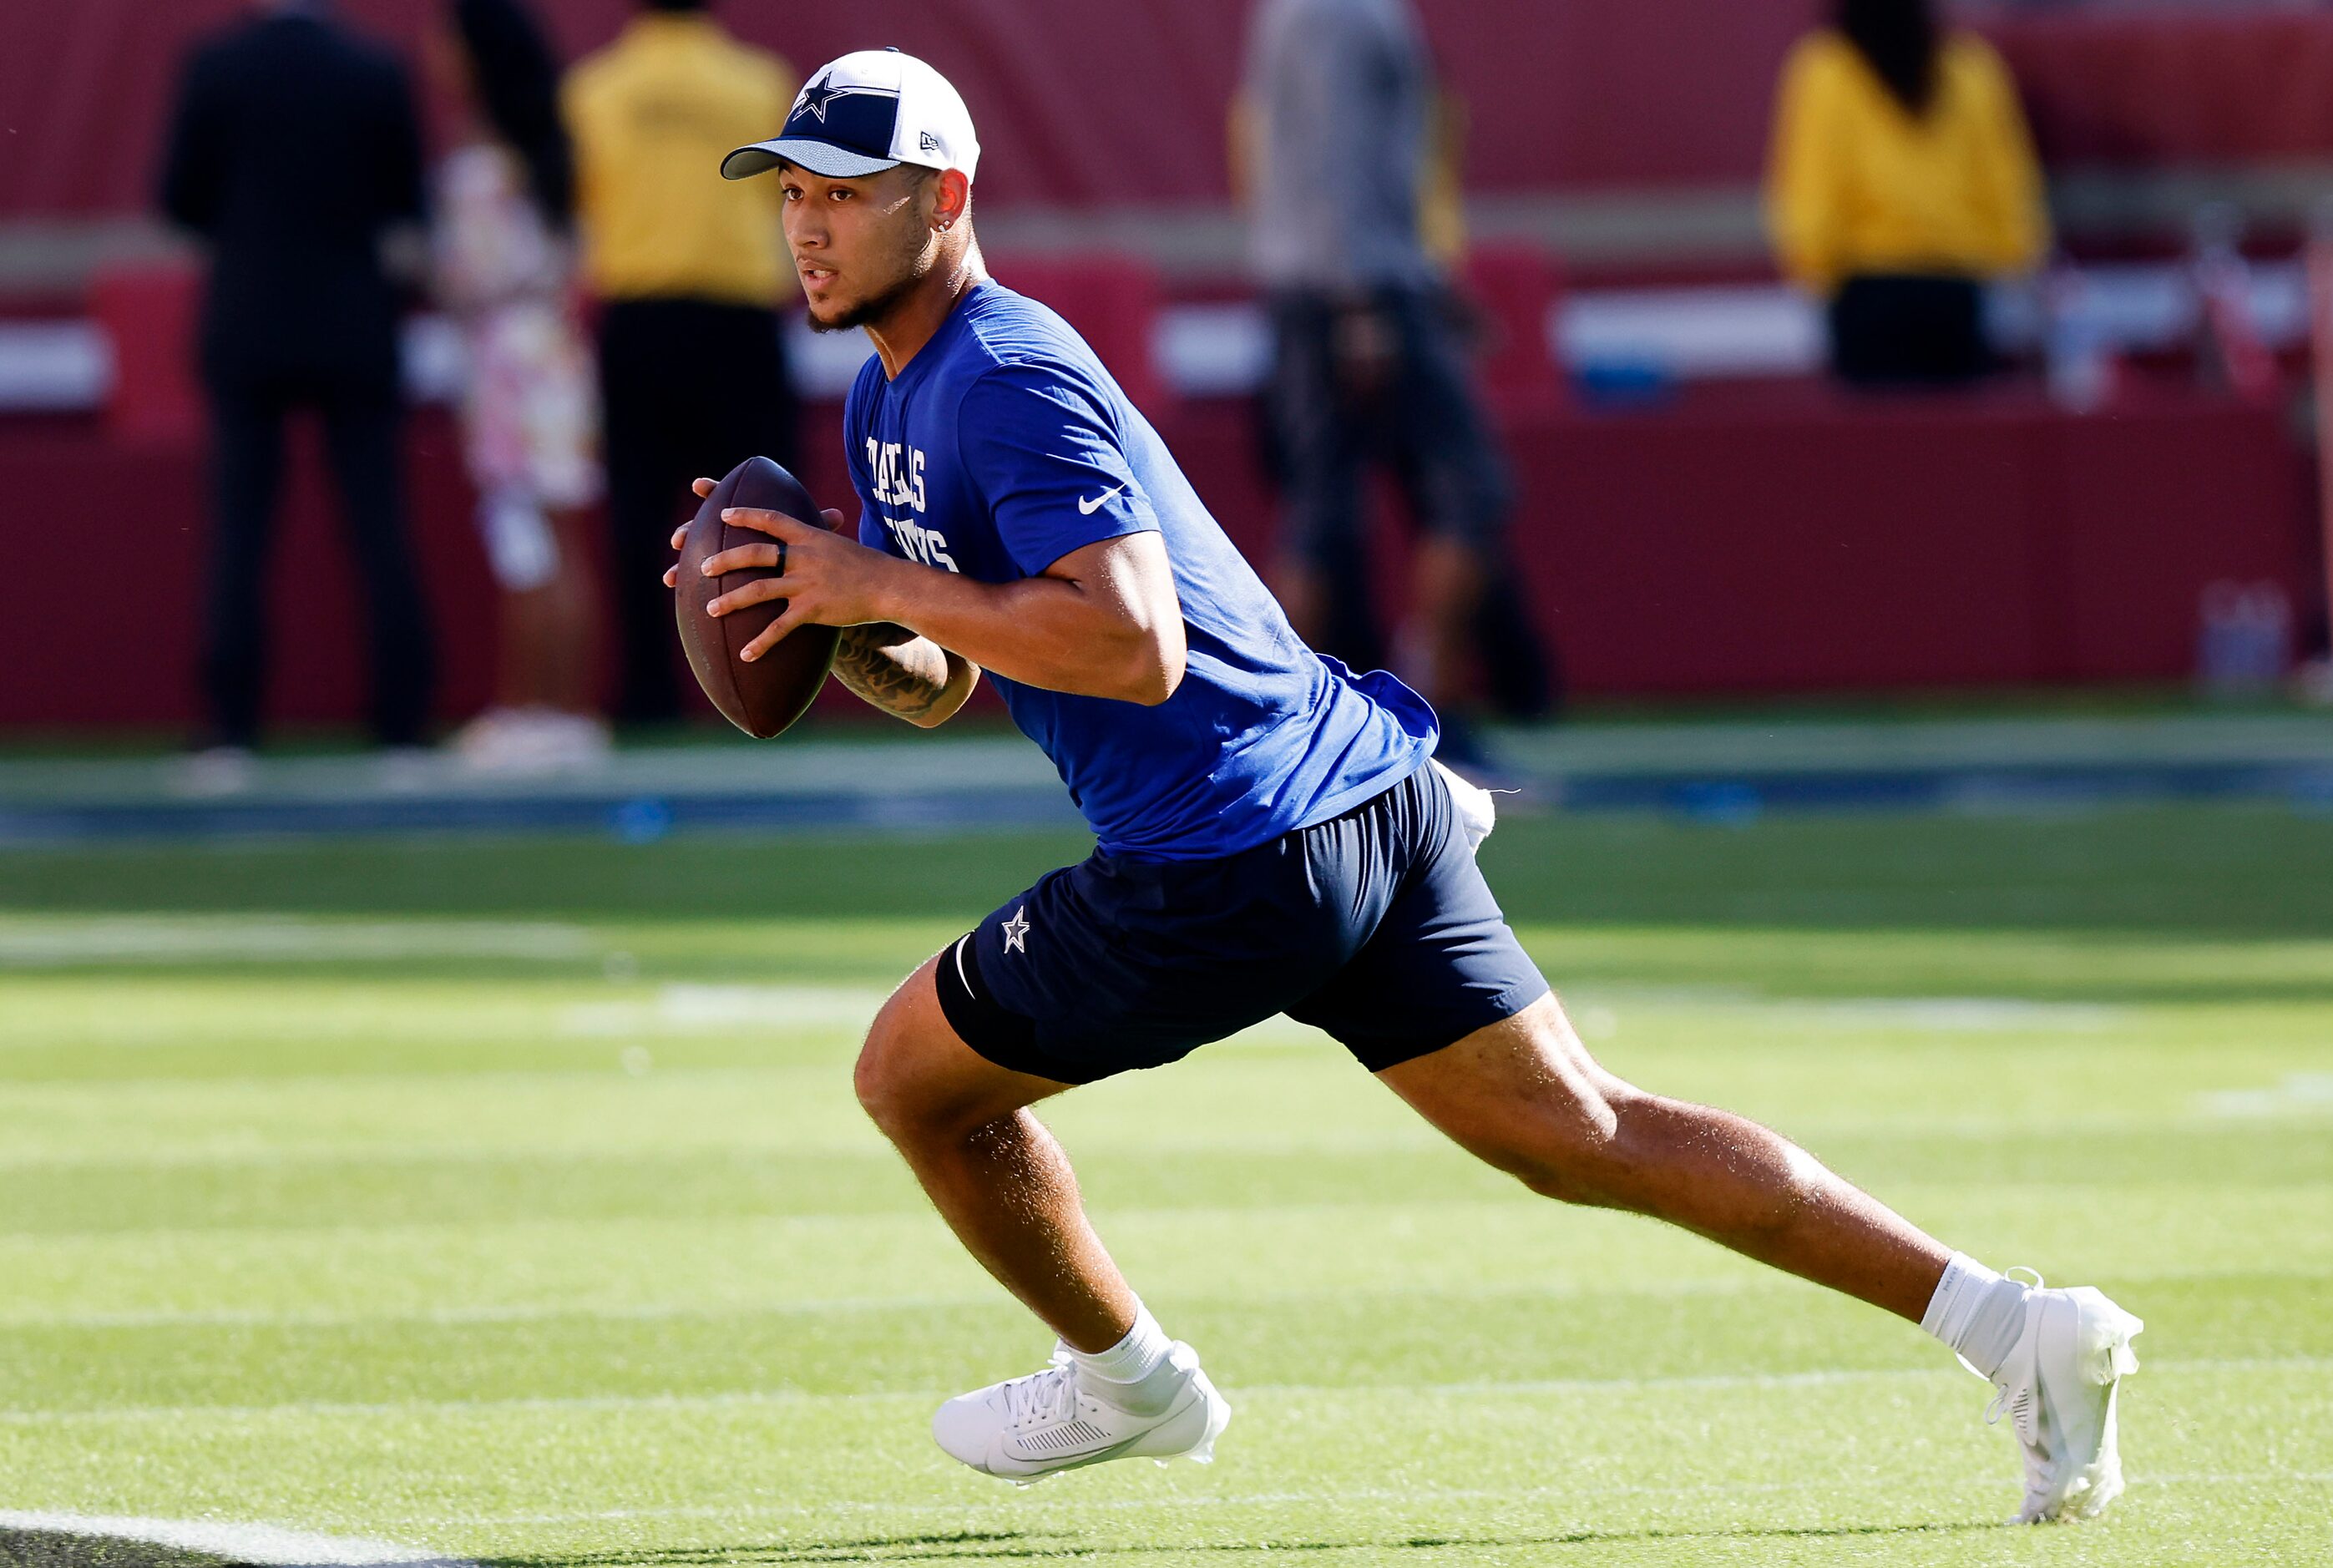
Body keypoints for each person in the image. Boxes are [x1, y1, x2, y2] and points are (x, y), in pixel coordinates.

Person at [674, 48, 2143, 1524]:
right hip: (1355, 801)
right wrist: (847, 622)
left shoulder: (1002, 373)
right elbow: (957, 679)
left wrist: (870, 573)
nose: (807, 225)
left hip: (1229, 850)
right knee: (1586, 1133)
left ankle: (1122, 1373)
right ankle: (2016, 1327)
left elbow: (1128, 644)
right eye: (793, 192)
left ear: (943, 197)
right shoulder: (886, 397)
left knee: (910, 1082)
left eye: (845, 196)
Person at [1233, 0, 1546, 772]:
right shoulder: (1334, 11)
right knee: (1463, 491)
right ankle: (1427, 707)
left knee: (1326, 510)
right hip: (1353, 286)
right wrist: (1364, 301)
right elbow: (1337, 161)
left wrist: (1423, 275)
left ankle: (1285, 731)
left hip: (1342, 279)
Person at [158, 0, 438, 791]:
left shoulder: (216, 65)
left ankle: (229, 729)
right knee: (378, 522)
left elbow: (179, 198)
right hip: (354, 322)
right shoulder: (374, 68)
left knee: (239, 528)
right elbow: (407, 201)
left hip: (247, 321)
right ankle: (401, 726)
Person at [562, 0, 797, 727]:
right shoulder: (759, 84)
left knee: (637, 513)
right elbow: (785, 202)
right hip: (738, 322)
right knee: (765, 517)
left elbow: (581, 206)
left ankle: (647, 696)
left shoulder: (594, 89)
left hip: (638, 321)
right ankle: (778, 685)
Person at [429, 0, 609, 773]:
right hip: (555, 355)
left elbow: (467, 277)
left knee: (530, 541)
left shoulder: (482, 166)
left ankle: (536, 710)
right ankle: (560, 711)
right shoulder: (549, 152)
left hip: (509, 362)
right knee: (555, 540)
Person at [1766, 0, 2049, 386]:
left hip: (1866, 290)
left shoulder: (1827, 69)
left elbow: (1813, 186)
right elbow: (2008, 186)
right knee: (1957, 439)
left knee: (1881, 442)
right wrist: (2015, 259)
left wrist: (1814, 266)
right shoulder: (1969, 68)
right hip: (1955, 291)